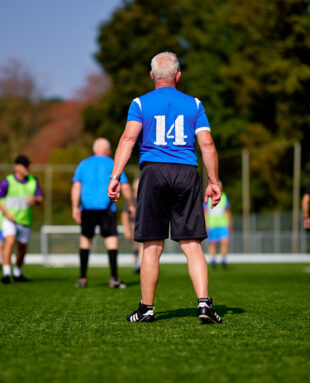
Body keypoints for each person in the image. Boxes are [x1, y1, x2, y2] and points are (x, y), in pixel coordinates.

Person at [108, 51, 223, 324]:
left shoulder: (139, 103)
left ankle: (146, 308)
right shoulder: (194, 104)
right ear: (178, 76)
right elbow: (206, 144)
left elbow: (128, 138)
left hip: (153, 172)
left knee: (151, 245)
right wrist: (214, 181)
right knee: (192, 244)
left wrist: (115, 176)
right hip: (186, 173)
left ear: (152, 76)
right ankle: (204, 305)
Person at [71, 138, 135, 289]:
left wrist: (75, 207)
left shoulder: (83, 164)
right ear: (107, 150)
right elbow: (124, 186)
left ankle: (82, 279)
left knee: (85, 241)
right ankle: (114, 278)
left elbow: (76, 186)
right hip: (107, 208)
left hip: (87, 208)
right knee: (111, 241)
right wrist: (131, 204)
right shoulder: (113, 163)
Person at [0, 155, 43, 284]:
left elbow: (40, 198)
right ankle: (6, 273)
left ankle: (18, 272)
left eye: (28, 165)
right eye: (24, 165)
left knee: (22, 248)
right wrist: (6, 213)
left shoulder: (33, 180)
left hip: (25, 220)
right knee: (10, 240)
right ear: (16, 167)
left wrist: (35, 199)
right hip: (10, 219)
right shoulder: (8, 181)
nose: (27, 168)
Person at [204, 181, 232, 269]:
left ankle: (223, 260)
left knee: (225, 242)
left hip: (223, 224)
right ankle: (213, 261)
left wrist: (230, 223)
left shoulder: (224, 197)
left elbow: (227, 211)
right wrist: (206, 224)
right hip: (212, 224)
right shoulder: (208, 197)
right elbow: (205, 213)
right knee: (213, 244)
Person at [121, 179, 142, 274]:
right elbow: (124, 215)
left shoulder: (144, 198)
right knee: (136, 247)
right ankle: (137, 264)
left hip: (143, 225)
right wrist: (126, 229)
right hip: (133, 226)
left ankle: (140, 264)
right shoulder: (131, 200)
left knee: (142, 245)